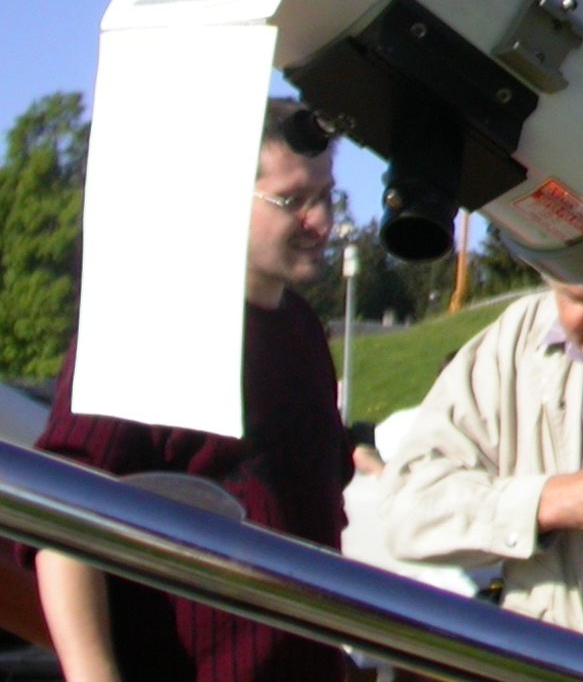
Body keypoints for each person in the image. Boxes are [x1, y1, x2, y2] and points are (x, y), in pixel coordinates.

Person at [32, 98, 352, 681]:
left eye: (326, 196)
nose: (322, 222)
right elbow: (62, 513)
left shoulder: (304, 332)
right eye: (293, 201)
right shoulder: (147, 326)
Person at [375, 280, 583, 651]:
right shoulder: (517, 340)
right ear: (549, 279)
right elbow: (406, 506)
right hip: (544, 659)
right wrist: (548, 503)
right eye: (576, 300)